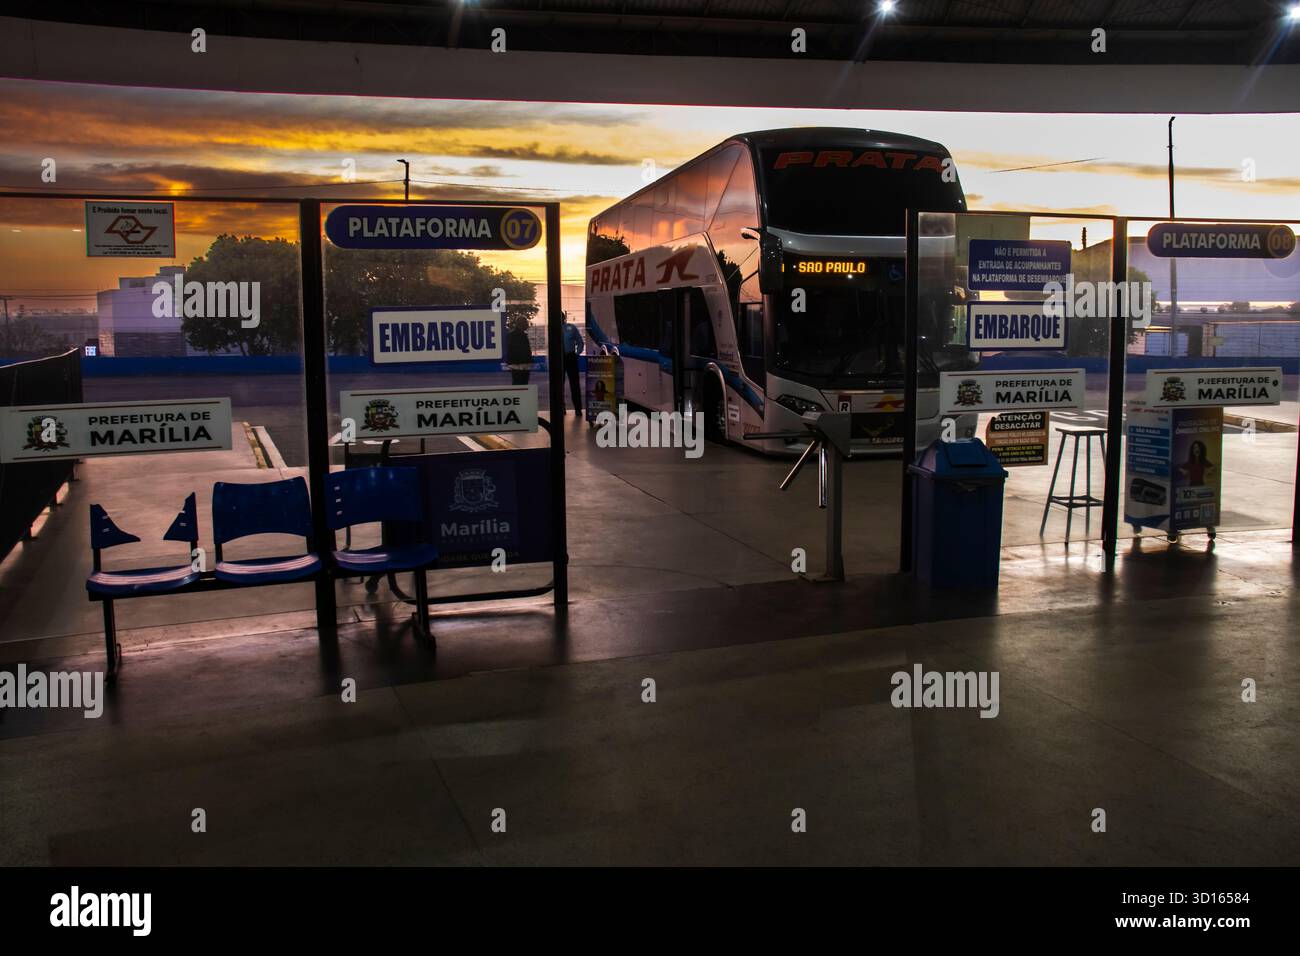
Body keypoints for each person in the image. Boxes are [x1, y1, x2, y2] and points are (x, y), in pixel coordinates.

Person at [562, 314, 584, 415]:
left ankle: (578, 409)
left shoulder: (571, 328)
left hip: (570, 357)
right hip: (558, 359)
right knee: (558, 385)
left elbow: (580, 342)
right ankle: (561, 408)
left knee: (574, 384)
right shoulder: (551, 329)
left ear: (564, 318)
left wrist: (577, 353)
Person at [505, 313, 532, 386]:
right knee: (520, 385)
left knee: (519, 385)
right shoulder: (518, 335)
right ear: (521, 324)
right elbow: (512, 350)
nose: (527, 324)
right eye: (526, 322)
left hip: (520, 365)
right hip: (519, 366)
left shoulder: (516, 334)